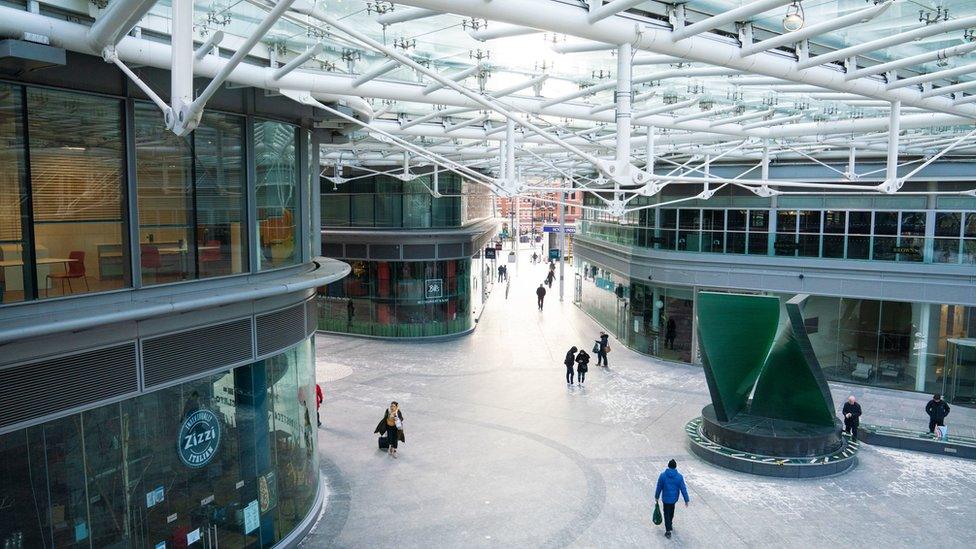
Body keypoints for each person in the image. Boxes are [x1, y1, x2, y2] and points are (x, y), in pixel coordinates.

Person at [654, 459, 690, 539]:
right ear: (675, 466)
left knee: (666, 513)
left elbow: (659, 487)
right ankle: (670, 523)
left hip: (666, 499)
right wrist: (686, 499)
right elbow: (683, 489)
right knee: (671, 512)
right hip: (674, 499)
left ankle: (668, 530)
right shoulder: (679, 477)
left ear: (668, 466)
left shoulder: (662, 476)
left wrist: (656, 496)